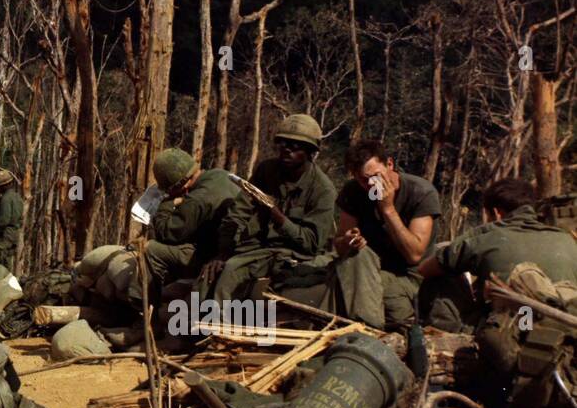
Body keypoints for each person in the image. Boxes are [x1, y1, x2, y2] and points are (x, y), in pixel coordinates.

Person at [204, 114, 337, 302]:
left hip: (295, 255)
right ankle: (205, 326)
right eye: (283, 143)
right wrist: (223, 252)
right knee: (213, 276)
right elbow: (238, 211)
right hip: (259, 248)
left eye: (295, 145)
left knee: (234, 273)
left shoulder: (323, 190)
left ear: (310, 151)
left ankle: (220, 326)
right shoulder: (267, 170)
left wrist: (279, 218)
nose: (287, 149)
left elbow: (311, 244)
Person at [417, 177, 577, 331]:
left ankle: (454, 331)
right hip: (563, 330)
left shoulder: (487, 238)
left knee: (442, 267)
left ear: (496, 213)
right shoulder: (567, 239)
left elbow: (425, 269)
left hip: (512, 332)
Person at [326, 138, 440, 329]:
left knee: (357, 289)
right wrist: (348, 241)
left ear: (389, 164)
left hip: (410, 277)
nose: (371, 184)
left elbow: (414, 255)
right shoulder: (354, 191)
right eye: (363, 179)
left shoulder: (421, 192)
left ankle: (369, 329)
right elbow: (339, 243)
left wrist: (387, 209)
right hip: (369, 269)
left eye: (375, 176)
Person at [145, 148, 241, 290]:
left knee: (150, 248)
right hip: (240, 251)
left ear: (180, 186)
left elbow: (166, 233)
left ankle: (145, 300)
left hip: (217, 257)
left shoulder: (196, 200)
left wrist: (168, 202)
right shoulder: (220, 174)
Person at [0, 169, 23, 271]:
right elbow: (20, 219)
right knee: (7, 264)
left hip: (3, 237)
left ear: (3, 186)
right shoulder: (17, 197)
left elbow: (3, 221)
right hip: (13, 235)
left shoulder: (5, 199)